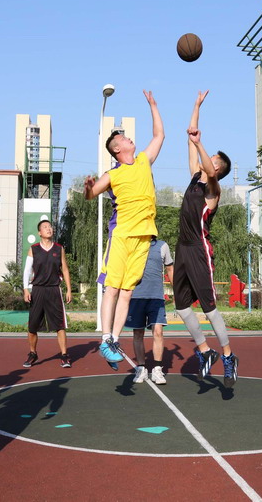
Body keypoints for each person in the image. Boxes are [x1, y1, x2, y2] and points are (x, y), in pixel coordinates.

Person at [83, 90, 164, 370]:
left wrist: (153, 105)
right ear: (117, 149)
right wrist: (87, 188)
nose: (130, 139)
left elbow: (159, 135)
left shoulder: (143, 161)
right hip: (122, 235)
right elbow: (91, 194)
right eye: (125, 138)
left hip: (144, 237)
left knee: (127, 292)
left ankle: (114, 341)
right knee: (113, 288)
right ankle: (105, 337)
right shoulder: (113, 174)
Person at [173, 90, 238, 388]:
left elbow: (208, 166)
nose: (205, 158)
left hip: (199, 250)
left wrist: (200, 142)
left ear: (218, 168)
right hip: (182, 249)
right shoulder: (193, 177)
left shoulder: (213, 188)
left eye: (211, 158)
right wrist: (196, 105)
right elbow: (190, 138)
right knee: (182, 307)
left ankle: (228, 356)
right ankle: (204, 350)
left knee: (209, 308)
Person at [22, 219, 73, 368]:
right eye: (45, 227)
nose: (49, 229)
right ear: (40, 233)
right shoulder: (34, 249)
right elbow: (27, 270)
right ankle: (33, 353)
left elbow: (65, 270)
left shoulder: (59, 248)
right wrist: (26, 289)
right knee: (32, 326)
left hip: (54, 289)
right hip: (37, 290)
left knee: (60, 326)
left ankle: (64, 355)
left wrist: (69, 289)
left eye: (50, 226)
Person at [124, 237, 173, 384]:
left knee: (158, 331)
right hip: (136, 297)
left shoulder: (163, 246)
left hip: (156, 297)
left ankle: (157, 369)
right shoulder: (131, 244)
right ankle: (141, 368)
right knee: (138, 333)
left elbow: (170, 269)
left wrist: (177, 291)